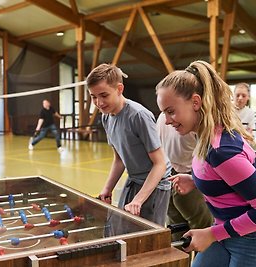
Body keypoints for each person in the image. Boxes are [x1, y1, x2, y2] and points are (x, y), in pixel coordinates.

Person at [156, 60, 256, 266]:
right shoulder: (203, 136)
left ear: (195, 102)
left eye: (171, 111)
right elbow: (225, 178)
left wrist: (212, 234)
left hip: (248, 239)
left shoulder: (222, 151)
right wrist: (195, 180)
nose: (166, 120)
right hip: (225, 231)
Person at [86, 63, 171, 226]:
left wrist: (138, 200)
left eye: (104, 95)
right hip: (134, 179)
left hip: (155, 184)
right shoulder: (106, 117)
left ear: (119, 89)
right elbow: (119, 159)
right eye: (93, 97)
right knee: (121, 226)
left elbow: (159, 164)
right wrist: (107, 188)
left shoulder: (138, 116)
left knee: (147, 236)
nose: (99, 102)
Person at [156, 113, 213, 242]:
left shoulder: (165, 118)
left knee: (182, 232)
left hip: (177, 177)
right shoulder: (186, 119)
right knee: (197, 230)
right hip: (177, 177)